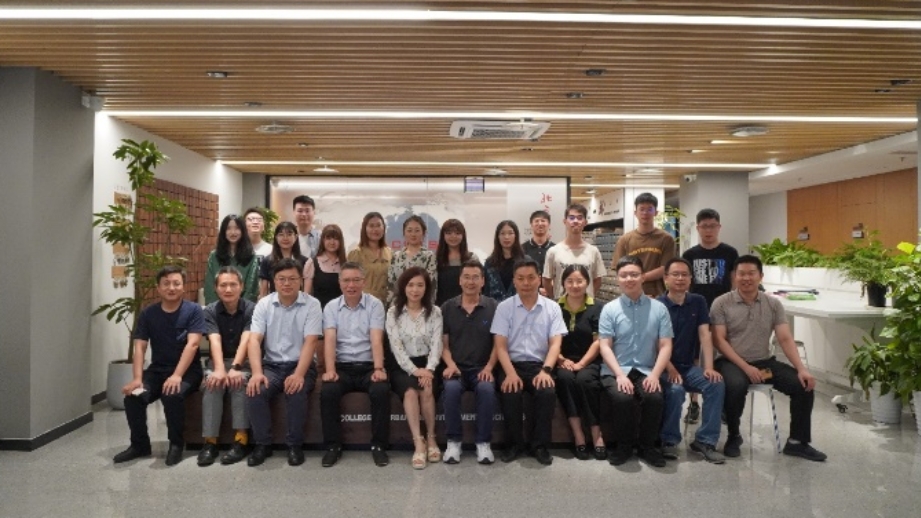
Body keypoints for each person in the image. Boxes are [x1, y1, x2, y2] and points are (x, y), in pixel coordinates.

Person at [711, 255, 827, 461]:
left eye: (751, 273)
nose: (746, 278)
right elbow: (719, 341)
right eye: (741, 274)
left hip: (764, 364)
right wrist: (746, 367)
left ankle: (797, 442)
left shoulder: (773, 304)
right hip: (730, 363)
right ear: (734, 276)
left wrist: (802, 369)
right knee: (736, 385)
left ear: (760, 276)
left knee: (803, 385)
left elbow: (784, 338)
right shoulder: (721, 303)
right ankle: (734, 436)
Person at [113, 265, 205, 467]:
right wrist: (137, 379)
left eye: (176, 283)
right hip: (157, 370)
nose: (171, 288)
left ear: (183, 286)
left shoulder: (193, 310)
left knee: (171, 394)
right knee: (133, 398)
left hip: (188, 371)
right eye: (166, 283)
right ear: (158, 287)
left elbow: (193, 344)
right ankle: (139, 445)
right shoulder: (148, 313)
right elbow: (140, 346)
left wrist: (177, 375)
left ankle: (176, 444)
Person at [244, 258, 322, 467]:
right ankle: (262, 444)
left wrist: (298, 374)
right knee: (256, 390)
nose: (287, 283)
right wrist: (257, 373)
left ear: (301, 280)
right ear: (273, 281)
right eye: (281, 279)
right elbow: (254, 340)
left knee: (297, 391)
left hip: (301, 364)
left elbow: (311, 341)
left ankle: (294, 445)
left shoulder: (312, 304)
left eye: (292, 279)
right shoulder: (264, 304)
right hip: (271, 365)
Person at [599, 256, 673, 467]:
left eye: (634, 274)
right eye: (624, 275)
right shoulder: (609, 309)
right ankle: (623, 446)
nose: (629, 279)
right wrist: (620, 375)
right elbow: (605, 345)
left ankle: (647, 447)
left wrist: (655, 375)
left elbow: (666, 345)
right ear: (618, 279)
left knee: (654, 397)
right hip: (616, 369)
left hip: (646, 368)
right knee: (622, 398)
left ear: (643, 277)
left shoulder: (659, 308)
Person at [492, 258, 566, 466]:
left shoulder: (552, 308)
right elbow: (500, 346)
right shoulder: (504, 308)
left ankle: (539, 445)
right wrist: (510, 373)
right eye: (521, 278)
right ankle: (514, 444)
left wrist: (546, 370)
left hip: (539, 365)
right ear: (514, 281)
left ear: (539, 279)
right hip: (511, 364)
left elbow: (555, 344)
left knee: (546, 391)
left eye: (531, 277)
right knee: (510, 390)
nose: (526, 283)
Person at [320, 262, 391, 467]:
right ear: (339, 282)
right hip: (342, 366)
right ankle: (333, 447)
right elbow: (329, 340)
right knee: (328, 391)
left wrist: (378, 368)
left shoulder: (375, 305)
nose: (351, 285)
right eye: (346, 280)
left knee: (381, 390)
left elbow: (376, 339)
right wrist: (330, 370)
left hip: (368, 365)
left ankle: (379, 446)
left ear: (364, 282)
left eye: (356, 280)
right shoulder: (331, 307)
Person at [657, 258, 726, 464]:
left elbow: (705, 335)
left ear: (690, 278)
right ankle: (669, 440)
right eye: (675, 274)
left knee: (715, 383)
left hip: (688, 367)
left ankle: (705, 441)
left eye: (684, 275)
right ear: (666, 278)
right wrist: (670, 369)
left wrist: (708, 367)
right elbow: (655, 343)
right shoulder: (657, 305)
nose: (680, 278)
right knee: (676, 390)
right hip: (663, 368)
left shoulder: (698, 301)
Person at [681, 209, 737, 424]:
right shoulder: (690, 255)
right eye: (704, 226)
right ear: (698, 228)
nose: (708, 230)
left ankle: (720, 403)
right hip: (696, 310)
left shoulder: (730, 253)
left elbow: (734, 282)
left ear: (719, 227)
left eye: (712, 226)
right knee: (696, 356)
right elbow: (685, 284)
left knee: (722, 354)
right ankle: (694, 403)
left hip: (723, 311)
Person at [440, 259, 499, 465]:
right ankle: (453, 442)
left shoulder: (493, 307)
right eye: (466, 277)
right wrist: (450, 364)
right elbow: (443, 345)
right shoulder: (447, 307)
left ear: (483, 281)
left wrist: (489, 368)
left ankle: (483, 443)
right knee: (451, 389)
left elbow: (498, 344)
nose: (470, 282)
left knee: (486, 390)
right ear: (459, 280)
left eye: (475, 277)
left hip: (483, 368)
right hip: (456, 367)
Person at [197, 266, 256, 467]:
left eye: (233, 284)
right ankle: (210, 442)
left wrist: (236, 368)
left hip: (245, 360)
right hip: (218, 360)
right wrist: (220, 369)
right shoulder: (210, 311)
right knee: (212, 384)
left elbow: (247, 341)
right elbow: (214, 341)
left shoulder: (252, 309)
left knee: (238, 383)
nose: (228, 289)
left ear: (242, 286)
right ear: (216, 288)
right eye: (223, 285)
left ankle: (241, 440)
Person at [386, 267, 443, 469]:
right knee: (410, 392)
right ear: (403, 287)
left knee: (426, 389)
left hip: (428, 364)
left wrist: (429, 369)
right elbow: (396, 347)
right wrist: (414, 370)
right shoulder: (393, 312)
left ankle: (432, 438)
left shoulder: (435, 312)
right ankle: (418, 442)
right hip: (402, 366)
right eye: (410, 285)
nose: (415, 290)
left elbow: (437, 344)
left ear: (427, 288)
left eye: (420, 285)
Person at [553, 264, 606, 461]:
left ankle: (597, 435)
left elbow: (598, 342)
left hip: (590, 360)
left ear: (587, 283)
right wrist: (561, 359)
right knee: (565, 380)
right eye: (570, 281)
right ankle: (578, 436)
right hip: (562, 360)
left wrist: (582, 364)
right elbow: (549, 339)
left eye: (580, 281)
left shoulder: (598, 307)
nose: (575, 285)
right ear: (563, 283)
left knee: (585, 381)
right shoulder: (554, 307)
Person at [612, 192, 675, 297]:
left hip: (657, 295)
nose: (645, 213)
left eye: (650, 209)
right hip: (631, 295)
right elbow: (619, 269)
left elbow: (666, 268)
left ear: (656, 213)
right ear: (635, 213)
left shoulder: (666, 239)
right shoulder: (624, 240)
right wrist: (637, 279)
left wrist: (641, 277)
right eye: (642, 209)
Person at [543, 203, 606, 299]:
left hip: (586, 305)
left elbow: (598, 280)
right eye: (571, 218)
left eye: (580, 218)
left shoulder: (593, 251)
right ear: (565, 221)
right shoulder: (553, 251)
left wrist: (587, 297)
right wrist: (556, 298)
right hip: (561, 304)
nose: (575, 221)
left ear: (585, 222)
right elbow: (546, 280)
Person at [204, 214, 259, 304]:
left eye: (237, 228)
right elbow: (209, 286)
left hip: (243, 308)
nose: (233, 232)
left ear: (243, 231)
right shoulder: (214, 256)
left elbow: (251, 288)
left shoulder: (251, 256)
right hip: (217, 308)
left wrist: (241, 308)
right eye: (228, 228)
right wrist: (216, 308)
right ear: (223, 231)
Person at [387, 215, 437, 306]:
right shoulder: (396, 256)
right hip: (398, 305)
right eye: (409, 230)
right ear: (404, 233)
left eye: (417, 230)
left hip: (421, 305)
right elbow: (391, 283)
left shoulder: (429, 256)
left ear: (423, 233)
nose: (413, 234)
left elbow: (431, 285)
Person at [347, 211, 393, 303]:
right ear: (365, 229)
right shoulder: (356, 253)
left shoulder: (389, 252)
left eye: (378, 225)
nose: (375, 229)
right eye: (371, 226)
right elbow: (349, 283)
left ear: (383, 228)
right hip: (363, 303)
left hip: (386, 303)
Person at [434, 218, 478, 306]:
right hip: (441, 306)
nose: (453, 236)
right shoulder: (435, 259)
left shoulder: (472, 258)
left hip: (466, 306)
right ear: (443, 235)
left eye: (457, 233)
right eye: (449, 233)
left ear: (463, 236)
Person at [258, 221, 307, 298]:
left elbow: (305, 289)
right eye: (281, 235)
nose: (285, 238)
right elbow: (264, 290)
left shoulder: (304, 261)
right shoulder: (267, 261)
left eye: (289, 234)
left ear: (296, 237)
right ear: (276, 237)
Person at [484, 220, 528, 302]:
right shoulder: (490, 263)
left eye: (510, 233)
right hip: (495, 307)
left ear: (516, 236)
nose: (506, 237)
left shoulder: (526, 262)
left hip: (520, 306)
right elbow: (486, 291)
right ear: (498, 236)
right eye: (502, 233)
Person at [304, 223, 345, 309]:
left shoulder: (345, 263)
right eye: (328, 238)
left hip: (341, 311)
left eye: (336, 238)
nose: (332, 242)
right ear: (322, 240)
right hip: (319, 311)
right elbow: (307, 295)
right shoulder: (312, 263)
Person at [521, 210, 554, 279]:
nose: (540, 224)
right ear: (531, 225)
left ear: (549, 225)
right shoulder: (522, 249)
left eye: (543, 221)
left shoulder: (555, 249)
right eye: (536, 221)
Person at [293, 194, 320, 259]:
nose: (304, 214)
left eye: (307, 211)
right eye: (300, 211)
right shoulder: (287, 237)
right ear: (293, 213)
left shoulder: (321, 237)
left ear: (314, 213)